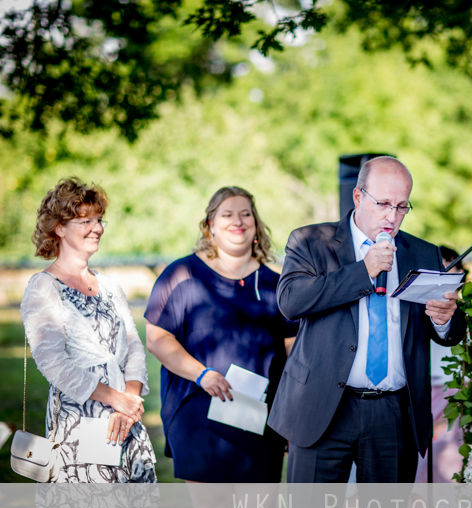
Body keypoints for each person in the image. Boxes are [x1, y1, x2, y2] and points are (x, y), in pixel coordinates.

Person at [269, 156, 468, 483]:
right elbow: (292, 302)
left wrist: (445, 319)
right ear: (358, 197)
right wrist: (364, 271)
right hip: (323, 407)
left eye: (402, 207)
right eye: (384, 204)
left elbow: (450, 333)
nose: (392, 216)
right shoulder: (311, 242)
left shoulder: (423, 253)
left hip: (393, 414)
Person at [144, 186, 297, 485]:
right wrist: (203, 375)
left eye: (245, 214)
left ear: (256, 225)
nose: (237, 221)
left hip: (261, 418)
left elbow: (294, 356)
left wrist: (291, 415)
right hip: (198, 414)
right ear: (210, 225)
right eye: (227, 214)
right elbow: (157, 339)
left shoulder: (277, 286)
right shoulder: (182, 274)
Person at [20, 177, 157, 484]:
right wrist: (113, 398)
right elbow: (53, 363)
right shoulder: (43, 287)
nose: (97, 228)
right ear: (59, 227)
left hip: (125, 420)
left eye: (98, 219)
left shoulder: (109, 285)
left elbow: (133, 346)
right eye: (85, 220)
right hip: (78, 425)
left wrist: (128, 402)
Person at [415, 245, 467, 483]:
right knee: (421, 460)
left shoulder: (468, 310)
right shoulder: (419, 306)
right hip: (427, 390)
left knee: (452, 459)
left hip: (456, 390)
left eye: (450, 267)